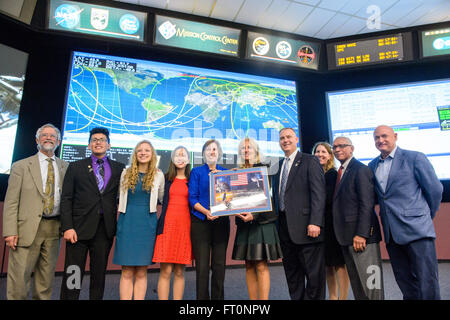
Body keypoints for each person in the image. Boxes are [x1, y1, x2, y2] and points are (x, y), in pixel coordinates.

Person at [368, 125, 443, 300]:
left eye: (385, 136)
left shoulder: (414, 157)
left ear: (395, 136)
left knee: (427, 281)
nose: (381, 140)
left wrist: (424, 215)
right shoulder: (372, 165)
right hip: (391, 234)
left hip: (417, 231)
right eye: (377, 138)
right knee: (405, 281)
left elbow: (435, 190)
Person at [2, 123, 68, 300]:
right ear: (37, 140)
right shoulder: (21, 166)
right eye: (44, 135)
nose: (48, 138)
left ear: (59, 141)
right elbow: (11, 201)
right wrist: (10, 231)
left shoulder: (65, 167)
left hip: (54, 229)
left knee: (45, 281)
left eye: (52, 136)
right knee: (19, 281)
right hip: (27, 229)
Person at [60, 127, 125, 300]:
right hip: (78, 230)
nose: (98, 142)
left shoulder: (119, 168)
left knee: (99, 275)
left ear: (109, 145)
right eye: (94, 139)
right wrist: (67, 227)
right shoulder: (75, 167)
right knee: (73, 274)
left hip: (104, 230)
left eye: (102, 139)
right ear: (89, 145)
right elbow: (66, 198)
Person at [272, 128, 326, 300]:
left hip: (307, 229)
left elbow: (318, 193)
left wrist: (315, 222)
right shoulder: (279, 165)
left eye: (288, 137)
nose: (285, 140)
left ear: (296, 139)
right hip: (284, 229)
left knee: (313, 277)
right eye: (282, 138)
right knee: (293, 276)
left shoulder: (310, 160)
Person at [332, 136, 384, 300]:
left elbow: (366, 204)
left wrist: (362, 234)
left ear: (351, 148)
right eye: (335, 147)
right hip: (347, 238)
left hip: (363, 239)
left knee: (371, 286)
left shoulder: (360, 169)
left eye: (342, 146)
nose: (337, 150)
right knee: (358, 287)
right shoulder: (342, 171)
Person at [231, 137, 283, 300]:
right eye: (243, 148)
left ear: (256, 150)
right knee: (248, 265)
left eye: (249, 148)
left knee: (261, 265)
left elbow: (267, 196)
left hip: (262, 223)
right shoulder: (236, 171)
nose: (246, 151)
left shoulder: (265, 169)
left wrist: (254, 215)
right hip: (245, 224)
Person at [113, 140, 164, 300]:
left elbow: (162, 198)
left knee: (142, 270)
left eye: (147, 150)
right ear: (135, 154)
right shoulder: (125, 173)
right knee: (127, 270)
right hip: (127, 222)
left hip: (147, 224)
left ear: (152, 154)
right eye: (139, 150)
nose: (143, 153)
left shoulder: (159, 174)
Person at [188, 139, 229, 300]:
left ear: (219, 154)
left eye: (215, 149)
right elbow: (192, 198)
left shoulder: (225, 172)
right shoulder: (196, 172)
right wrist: (206, 212)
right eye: (208, 149)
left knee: (219, 266)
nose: (212, 152)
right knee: (202, 267)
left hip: (221, 224)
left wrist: (223, 178)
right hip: (201, 223)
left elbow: (230, 200)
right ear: (203, 154)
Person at [153, 146, 192, 300]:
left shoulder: (192, 179)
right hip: (167, 228)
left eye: (183, 155)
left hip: (185, 228)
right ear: (172, 159)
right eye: (177, 155)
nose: (180, 158)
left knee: (179, 271)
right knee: (166, 271)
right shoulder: (165, 177)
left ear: (188, 159)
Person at [312, 142, 350, 300]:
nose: (320, 154)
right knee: (327, 265)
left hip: (333, 226)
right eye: (317, 151)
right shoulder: (314, 173)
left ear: (330, 156)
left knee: (339, 264)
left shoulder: (332, 174)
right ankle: (333, 297)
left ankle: (343, 297)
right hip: (321, 226)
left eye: (323, 152)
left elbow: (326, 199)